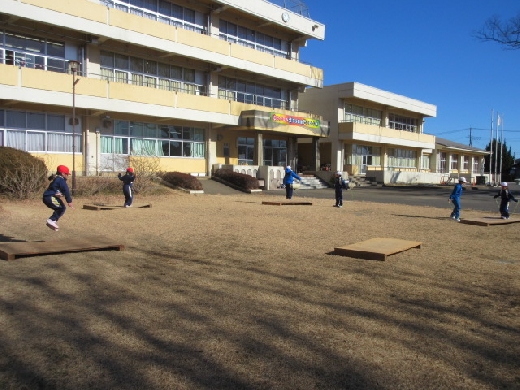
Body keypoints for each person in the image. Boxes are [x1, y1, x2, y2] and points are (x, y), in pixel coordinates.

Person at [42, 165, 74, 231]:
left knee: (61, 207)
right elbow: (66, 190)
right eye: (66, 174)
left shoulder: (57, 179)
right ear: (62, 174)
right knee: (61, 208)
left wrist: (58, 193)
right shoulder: (60, 180)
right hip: (49, 197)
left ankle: (52, 222)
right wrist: (69, 201)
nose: (67, 176)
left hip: (48, 197)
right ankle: (51, 220)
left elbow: (55, 189)